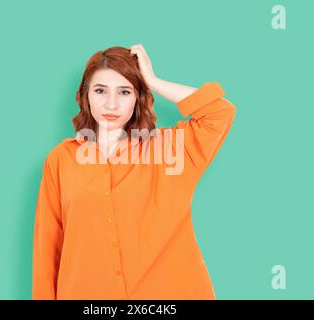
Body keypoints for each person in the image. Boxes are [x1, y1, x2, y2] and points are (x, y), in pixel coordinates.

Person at [32, 44, 236, 300]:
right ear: (85, 96)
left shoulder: (172, 150)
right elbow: (48, 248)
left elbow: (219, 112)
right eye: (100, 91)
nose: (111, 103)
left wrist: (153, 80)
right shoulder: (60, 160)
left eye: (125, 91)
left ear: (138, 96)